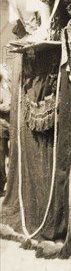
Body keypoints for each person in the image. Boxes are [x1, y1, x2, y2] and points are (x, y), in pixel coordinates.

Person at [0, 65, 11, 197]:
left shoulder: (4, 89)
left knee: (2, 159)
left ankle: (1, 186)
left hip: (3, 128)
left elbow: (8, 106)